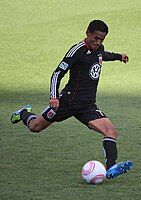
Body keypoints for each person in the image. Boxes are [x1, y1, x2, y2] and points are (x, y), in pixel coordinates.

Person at [11, 20, 133, 179]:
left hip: (87, 106)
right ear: (87, 33)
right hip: (67, 102)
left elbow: (103, 55)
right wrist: (54, 96)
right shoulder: (76, 51)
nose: (98, 42)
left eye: (102, 39)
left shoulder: (99, 49)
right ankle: (23, 113)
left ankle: (111, 167)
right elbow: (57, 74)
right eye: (95, 38)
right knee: (35, 127)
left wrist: (119, 56)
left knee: (111, 131)